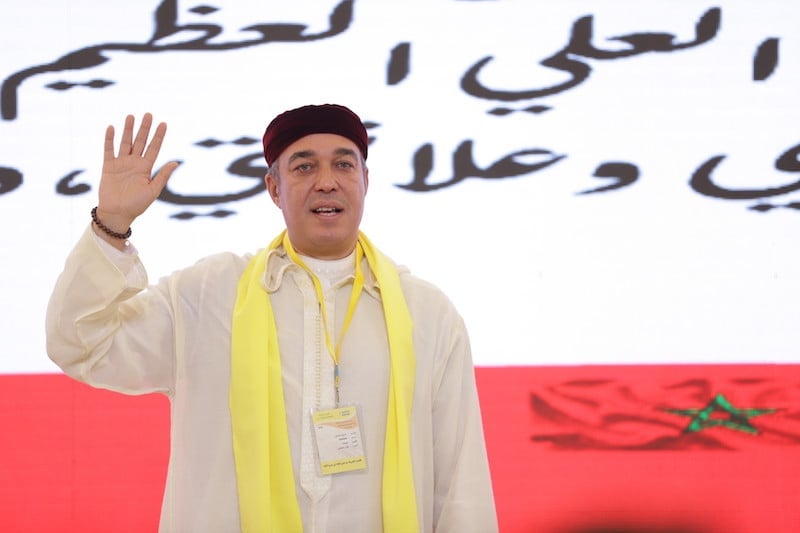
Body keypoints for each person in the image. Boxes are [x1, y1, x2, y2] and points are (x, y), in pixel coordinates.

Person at [46, 104, 498, 532]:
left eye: (343, 165)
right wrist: (111, 224)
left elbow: (461, 486)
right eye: (304, 167)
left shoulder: (427, 315)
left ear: (365, 181)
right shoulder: (207, 296)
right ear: (274, 188)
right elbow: (82, 344)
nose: (326, 182)